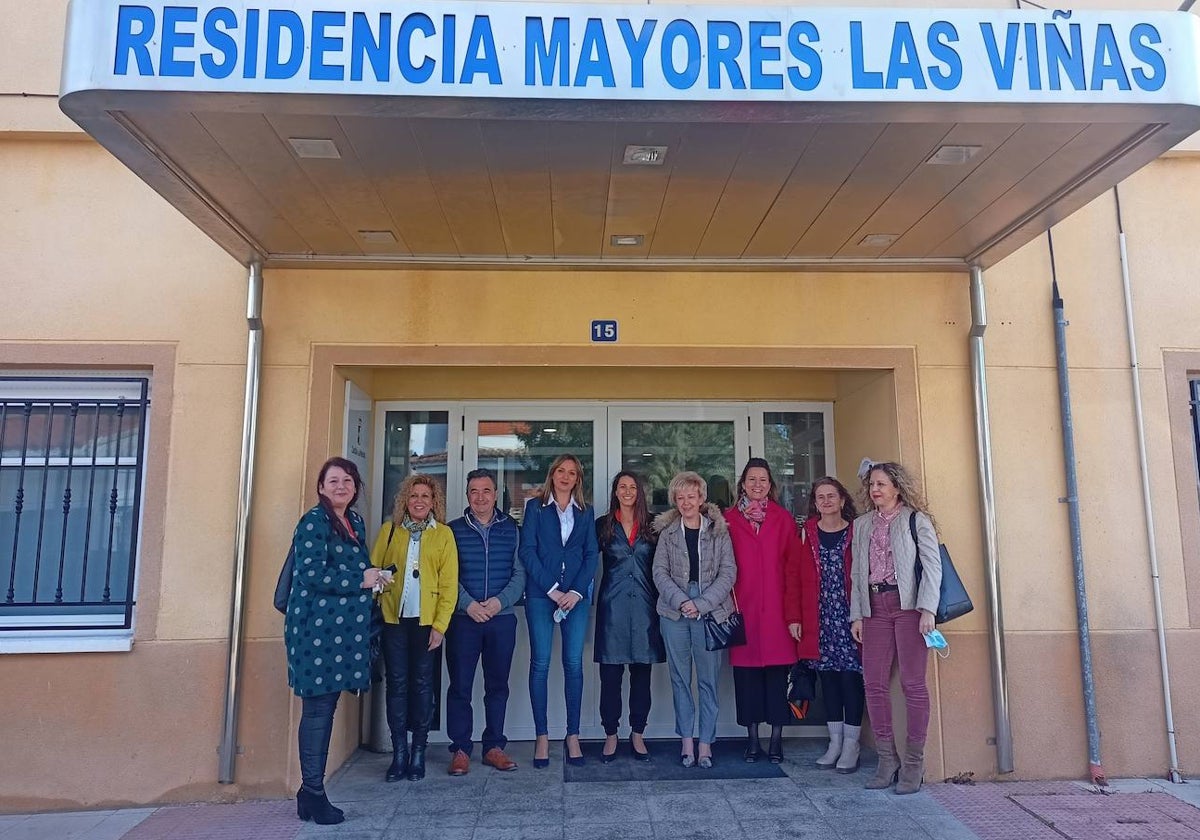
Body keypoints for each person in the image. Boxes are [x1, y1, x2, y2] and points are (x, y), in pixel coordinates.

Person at [285, 457, 382, 825]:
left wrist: (373, 578)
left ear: (355, 487)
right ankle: (312, 792)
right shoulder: (314, 521)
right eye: (334, 481)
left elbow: (354, 568)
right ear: (321, 487)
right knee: (318, 711)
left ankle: (309, 794)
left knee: (324, 709)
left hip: (340, 635)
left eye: (348, 481)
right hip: (314, 632)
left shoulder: (353, 522)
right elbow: (310, 574)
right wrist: (361, 580)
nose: (342, 486)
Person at [849, 461, 942, 794]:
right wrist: (857, 614)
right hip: (874, 608)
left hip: (909, 608)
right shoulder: (861, 525)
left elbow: (933, 567)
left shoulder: (916, 521)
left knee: (913, 684)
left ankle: (913, 764)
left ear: (897, 488)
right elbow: (858, 572)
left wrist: (927, 609)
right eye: (872, 484)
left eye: (882, 484)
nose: (875, 490)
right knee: (872, 683)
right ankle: (887, 759)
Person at [724, 457, 816, 764]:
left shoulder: (783, 519)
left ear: (770, 484)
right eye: (751, 479)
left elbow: (793, 569)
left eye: (763, 479)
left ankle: (776, 740)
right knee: (747, 680)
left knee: (778, 678)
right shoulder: (728, 519)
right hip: (743, 609)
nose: (757, 485)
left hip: (777, 611)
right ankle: (752, 740)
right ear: (743, 484)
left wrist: (794, 615)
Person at [371, 474, 458, 782]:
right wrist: (380, 582)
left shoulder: (443, 534)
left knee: (423, 687)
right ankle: (399, 753)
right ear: (404, 501)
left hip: (426, 624)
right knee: (397, 686)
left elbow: (449, 585)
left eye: (425, 496)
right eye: (413, 496)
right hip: (394, 621)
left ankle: (419, 752)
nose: (419, 501)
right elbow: (373, 571)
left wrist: (440, 626)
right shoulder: (390, 531)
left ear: (434, 502)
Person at [519, 454, 600, 768]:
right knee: (540, 663)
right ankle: (541, 735)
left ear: (578, 479)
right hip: (542, 596)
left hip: (575, 599)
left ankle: (573, 735)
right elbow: (527, 551)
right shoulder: (535, 508)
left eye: (572, 473)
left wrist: (577, 592)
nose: (566, 477)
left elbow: (591, 553)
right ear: (552, 475)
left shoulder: (585, 511)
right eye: (561, 471)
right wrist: (553, 589)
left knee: (573, 664)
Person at [652, 471, 736, 769]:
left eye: (691, 496)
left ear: (702, 499)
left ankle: (706, 744)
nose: (686, 502)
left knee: (708, 680)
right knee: (679, 679)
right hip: (674, 611)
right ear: (675, 500)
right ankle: (686, 741)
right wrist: (682, 601)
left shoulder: (718, 531)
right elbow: (659, 572)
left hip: (710, 611)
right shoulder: (667, 532)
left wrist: (701, 603)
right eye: (680, 497)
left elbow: (728, 573)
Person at [445, 468, 526, 775]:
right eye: (474, 492)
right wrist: (468, 604)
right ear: (468, 496)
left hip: (501, 619)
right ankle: (461, 749)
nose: (480, 497)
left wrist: (497, 603)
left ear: (496, 494)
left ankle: (494, 746)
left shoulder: (512, 529)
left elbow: (520, 575)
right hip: (464, 621)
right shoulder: (452, 531)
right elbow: (447, 576)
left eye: (486, 491)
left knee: (497, 686)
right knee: (460, 687)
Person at [593, 471, 664, 763]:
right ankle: (611, 733)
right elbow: (584, 561)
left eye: (632, 486)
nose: (627, 491)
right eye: (622, 486)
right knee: (610, 677)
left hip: (646, 608)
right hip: (612, 609)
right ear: (615, 492)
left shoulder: (654, 525)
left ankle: (637, 734)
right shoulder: (602, 525)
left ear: (640, 492)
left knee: (641, 676)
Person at [795, 477, 864, 773]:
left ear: (842, 500)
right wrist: (795, 618)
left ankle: (852, 743)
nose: (825, 501)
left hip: (851, 616)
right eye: (820, 497)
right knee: (829, 681)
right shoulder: (807, 533)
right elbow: (795, 578)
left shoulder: (857, 531)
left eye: (831, 496)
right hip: (819, 617)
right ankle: (834, 742)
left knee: (851, 680)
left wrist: (861, 614)